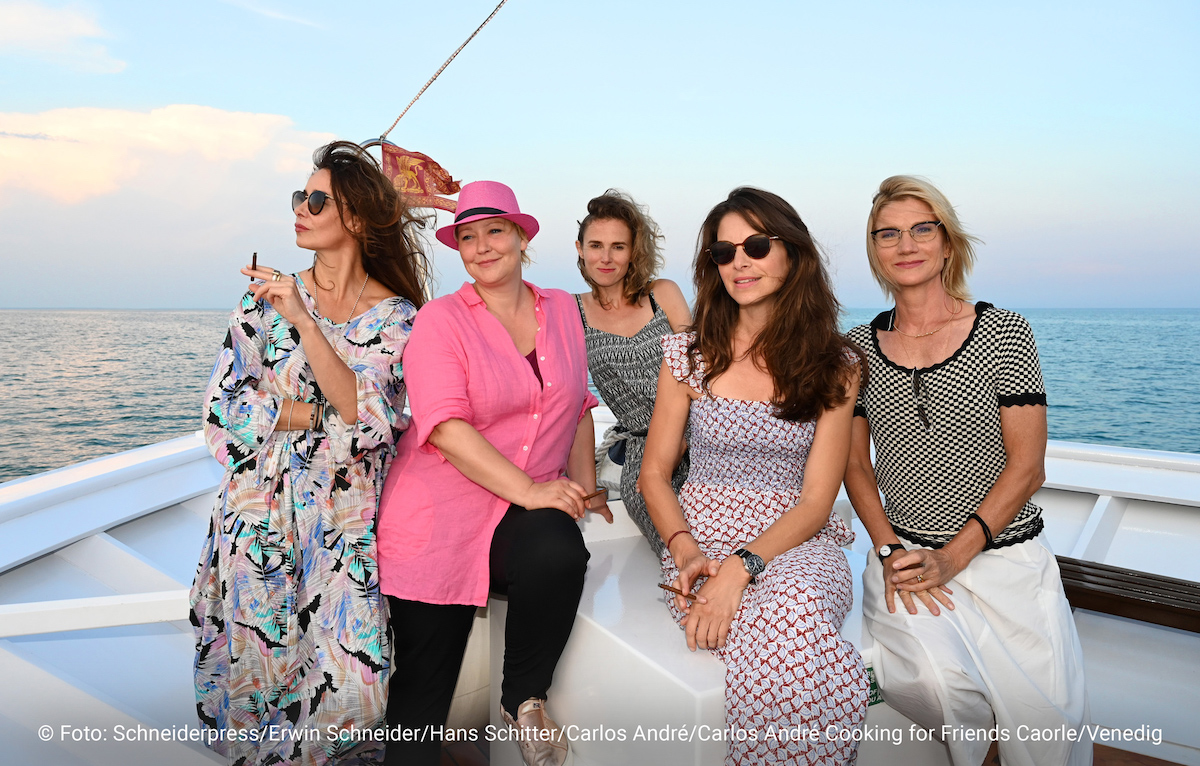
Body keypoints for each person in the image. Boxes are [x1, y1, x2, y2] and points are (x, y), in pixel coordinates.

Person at [190, 141, 431, 765]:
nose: (300, 208)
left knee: (356, 691)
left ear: (355, 217)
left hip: (343, 524)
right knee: (259, 683)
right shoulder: (260, 299)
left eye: (316, 198)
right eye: (300, 196)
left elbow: (375, 424)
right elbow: (223, 417)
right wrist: (319, 414)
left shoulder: (399, 319)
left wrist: (304, 323)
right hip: (258, 514)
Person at [843, 175, 1090, 766]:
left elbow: (1028, 468)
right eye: (889, 234)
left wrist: (955, 557)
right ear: (875, 253)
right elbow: (855, 466)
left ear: (948, 244)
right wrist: (886, 553)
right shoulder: (855, 348)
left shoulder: (1003, 332)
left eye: (922, 229)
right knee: (937, 686)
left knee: (1047, 732)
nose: (906, 244)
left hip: (1007, 557)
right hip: (906, 558)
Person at [377, 181, 612, 766]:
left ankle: (523, 699)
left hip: (517, 513)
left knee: (558, 549)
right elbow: (446, 429)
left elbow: (577, 404)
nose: (482, 246)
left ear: (522, 237)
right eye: (468, 237)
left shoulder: (561, 308)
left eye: (495, 231)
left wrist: (583, 486)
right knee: (421, 705)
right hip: (440, 518)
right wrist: (533, 489)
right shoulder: (440, 320)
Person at [641, 187, 869, 765]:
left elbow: (818, 500)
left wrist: (742, 570)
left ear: (792, 254)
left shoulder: (836, 365)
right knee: (781, 636)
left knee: (794, 613)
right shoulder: (685, 355)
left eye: (757, 246)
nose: (739, 262)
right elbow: (655, 475)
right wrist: (688, 554)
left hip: (798, 539)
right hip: (702, 539)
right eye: (724, 252)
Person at [574, 190, 691, 556]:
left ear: (633, 251)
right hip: (644, 450)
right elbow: (574, 403)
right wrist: (587, 484)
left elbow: (706, 371)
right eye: (596, 245)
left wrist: (687, 437)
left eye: (618, 247)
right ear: (580, 249)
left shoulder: (663, 294)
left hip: (701, 434)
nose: (606, 257)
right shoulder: (570, 313)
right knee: (679, 545)